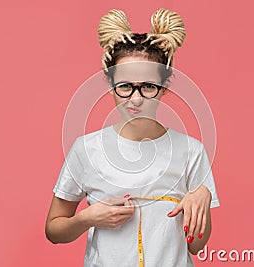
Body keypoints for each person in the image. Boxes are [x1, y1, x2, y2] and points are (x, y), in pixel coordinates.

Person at [45, 8, 220, 267]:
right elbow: (53, 231)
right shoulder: (86, 149)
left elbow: (195, 245)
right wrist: (88, 218)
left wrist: (202, 199)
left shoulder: (190, 151)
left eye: (148, 86)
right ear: (110, 83)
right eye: (125, 86)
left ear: (164, 87)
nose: (136, 99)